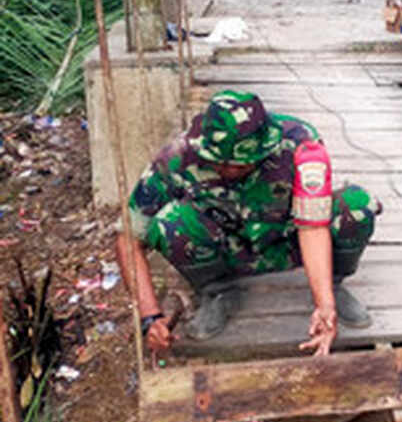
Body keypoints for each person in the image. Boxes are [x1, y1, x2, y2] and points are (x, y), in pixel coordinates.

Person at [116, 91, 382, 356]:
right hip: (229, 253)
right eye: (220, 163)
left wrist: (325, 305)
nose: (230, 170)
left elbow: (313, 225)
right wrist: (150, 318)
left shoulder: (301, 143)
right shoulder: (177, 156)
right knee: (170, 222)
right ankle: (217, 291)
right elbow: (128, 239)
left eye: (242, 164)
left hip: (288, 242)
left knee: (356, 206)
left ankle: (332, 284)